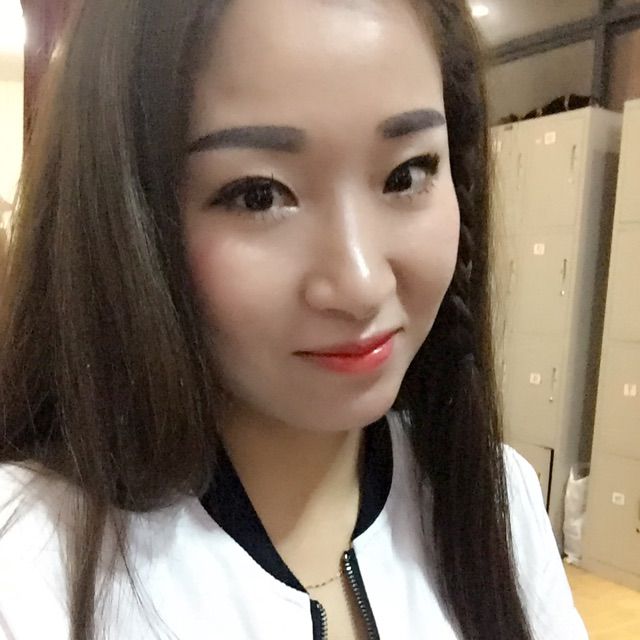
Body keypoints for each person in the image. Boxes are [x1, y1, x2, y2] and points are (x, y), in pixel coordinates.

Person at [0, 1, 588, 638]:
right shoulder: (28, 566)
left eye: (406, 174)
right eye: (258, 195)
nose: (360, 284)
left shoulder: (500, 498)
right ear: (125, 215)